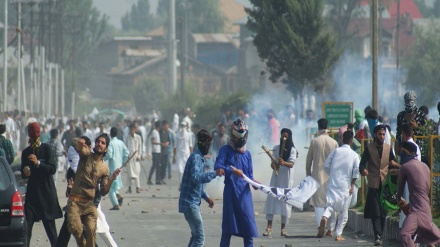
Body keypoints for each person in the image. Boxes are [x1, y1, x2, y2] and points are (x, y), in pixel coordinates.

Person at [67, 133, 121, 247]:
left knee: (92, 230)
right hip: (75, 202)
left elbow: (103, 191)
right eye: (98, 141)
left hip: (89, 204)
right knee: (74, 227)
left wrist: (112, 178)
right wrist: (80, 143)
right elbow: (80, 149)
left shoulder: (105, 168)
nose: (99, 144)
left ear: (106, 148)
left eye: (103, 143)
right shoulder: (86, 155)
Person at [214, 119, 258, 247]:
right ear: (233, 134)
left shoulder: (248, 154)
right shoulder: (225, 150)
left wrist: (255, 184)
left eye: (243, 133)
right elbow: (218, 166)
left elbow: (249, 176)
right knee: (227, 230)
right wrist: (232, 171)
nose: (241, 137)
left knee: (249, 231)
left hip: (245, 196)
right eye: (239, 134)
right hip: (231, 194)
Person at [178, 130, 225, 246]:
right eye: (207, 144)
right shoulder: (196, 158)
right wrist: (214, 173)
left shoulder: (198, 157)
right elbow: (196, 178)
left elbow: (196, 185)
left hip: (191, 202)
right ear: (202, 144)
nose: (208, 147)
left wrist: (206, 197)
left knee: (195, 236)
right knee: (200, 238)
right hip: (190, 203)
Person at [21, 122, 63, 247]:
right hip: (32, 196)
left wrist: (38, 163)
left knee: (51, 231)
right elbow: (24, 173)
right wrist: (26, 172)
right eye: (32, 136)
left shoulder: (47, 149)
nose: (34, 139)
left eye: (35, 136)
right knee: (27, 229)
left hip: (46, 194)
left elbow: (52, 169)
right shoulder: (26, 152)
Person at [317, 131, 359, 241]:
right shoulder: (354, 155)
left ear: (342, 140)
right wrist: (352, 184)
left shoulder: (335, 152)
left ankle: (324, 217)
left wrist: (332, 175)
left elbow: (326, 166)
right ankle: (338, 234)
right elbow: (356, 171)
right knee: (343, 211)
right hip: (345, 185)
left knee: (330, 206)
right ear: (351, 141)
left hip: (333, 183)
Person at [397, 141, 440, 247]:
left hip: (416, 210)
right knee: (429, 238)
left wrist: (400, 201)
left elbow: (399, 192)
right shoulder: (425, 166)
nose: (401, 154)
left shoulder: (405, 167)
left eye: (404, 152)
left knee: (405, 234)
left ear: (412, 153)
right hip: (426, 208)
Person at [359, 125, 396, 246]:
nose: (382, 136)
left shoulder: (388, 148)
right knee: (375, 211)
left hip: (385, 184)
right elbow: (362, 164)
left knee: (383, 211)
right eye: (380, 134)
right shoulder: (369, 148)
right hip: (374, 183)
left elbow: (392, 163)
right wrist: (363, 170)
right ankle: (377, 235)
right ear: (375, 135)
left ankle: (380, 234)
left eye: (383, 134)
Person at [262, 128, 297, 238]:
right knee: (271, 201)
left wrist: (283, 162)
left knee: (285, 203)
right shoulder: (276, 148)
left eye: (286, 136)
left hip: (286, 180)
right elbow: (272, 165)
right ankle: (269, 228)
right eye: (282, 136)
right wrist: (275, 164)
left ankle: (283, 229)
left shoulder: (292, 150)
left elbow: (291, 164)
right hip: (276, 179)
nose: (284, 138)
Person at [305, 118, 339, 228]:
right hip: (330, 176)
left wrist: (308, 172)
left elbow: (309, 159)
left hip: (317, 176)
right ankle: (330, 228)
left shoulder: (314, 141)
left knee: (318, 203)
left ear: (318, 127)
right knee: (330, 202)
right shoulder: (334, 142)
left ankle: (320, 225)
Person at [105, 127, 129, 210]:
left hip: (113, 168)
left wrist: (102, 158)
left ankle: (116, 204)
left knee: (110, 188)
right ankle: (119, 197)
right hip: (119, 167)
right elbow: (127, 153)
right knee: (114, 186)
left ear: (110, 134)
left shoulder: (111, 143)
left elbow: (109, 155)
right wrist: (124, 160)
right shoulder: (121, 143)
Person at [173, 121, 193, 190]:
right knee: (179, 170)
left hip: (187, 154)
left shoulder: (189, 135)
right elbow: (175, 146)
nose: (183, 127)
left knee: (186, 169)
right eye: (182, 126)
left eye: (184, 126)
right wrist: (173, 156)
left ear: (186, 127)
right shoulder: (177, 135)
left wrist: (192, 156)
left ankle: (185, 184)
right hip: (179, 154)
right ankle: (180, 183)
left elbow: (190, 146)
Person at [125, 123, 142, 193]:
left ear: (135, 130)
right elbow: (125, 148)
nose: (132, 130)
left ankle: (138, 187)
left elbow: (140, 147)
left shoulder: (138, 137)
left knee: (136, 172)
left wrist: (139, 156)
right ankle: (129, 188)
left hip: (136, 158)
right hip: (129, 158)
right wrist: (126, 157)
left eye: (133, 129)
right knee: (129, 174)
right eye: (131, 129)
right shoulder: (127, 138)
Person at [148, 121, 162, 185]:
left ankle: (157, 180)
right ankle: (149, 179)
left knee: (158, 166)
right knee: (154, 166)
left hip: (158, 151)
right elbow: (152, 141)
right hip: (155, 151)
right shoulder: (154, 132)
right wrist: (161, 143)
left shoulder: (157, 132)